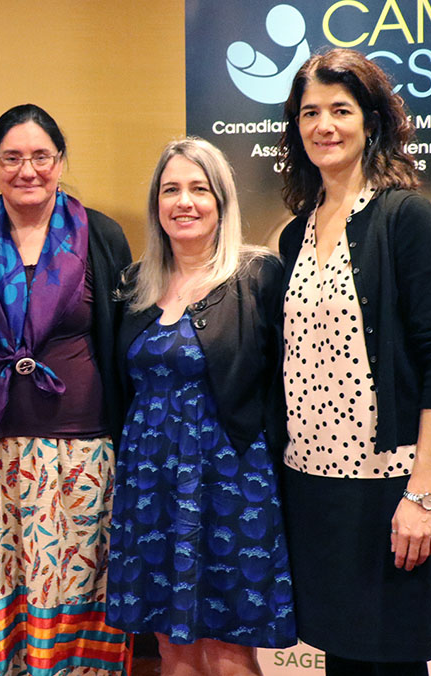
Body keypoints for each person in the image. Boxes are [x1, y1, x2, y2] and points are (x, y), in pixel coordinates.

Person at [277, 48, 431, 675]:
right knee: (341, 662)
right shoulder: (293, 232)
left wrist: (423, 496)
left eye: (340, 109)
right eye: (309, 112)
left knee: (392, 662)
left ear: (371, 122)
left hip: (393, 487)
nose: (323, 125)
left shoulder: (408, 218)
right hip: (313, 487)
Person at [0, 104, 132, 675]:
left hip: (80, 446)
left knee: (74, 584)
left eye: (41, 157)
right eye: (13, 158)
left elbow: (121, 340)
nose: (28, 170)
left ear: (60, 160)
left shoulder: (100, 233)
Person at [105, 137, 295, 675]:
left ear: (222, 201)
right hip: (151, 485)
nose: (184, 202)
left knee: (228, 649)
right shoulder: (134, 284)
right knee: (170, 646)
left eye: (198, 188)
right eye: (171, 190)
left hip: (230, 481)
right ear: (156, 205)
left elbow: (285, 385)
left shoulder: (258, 276)